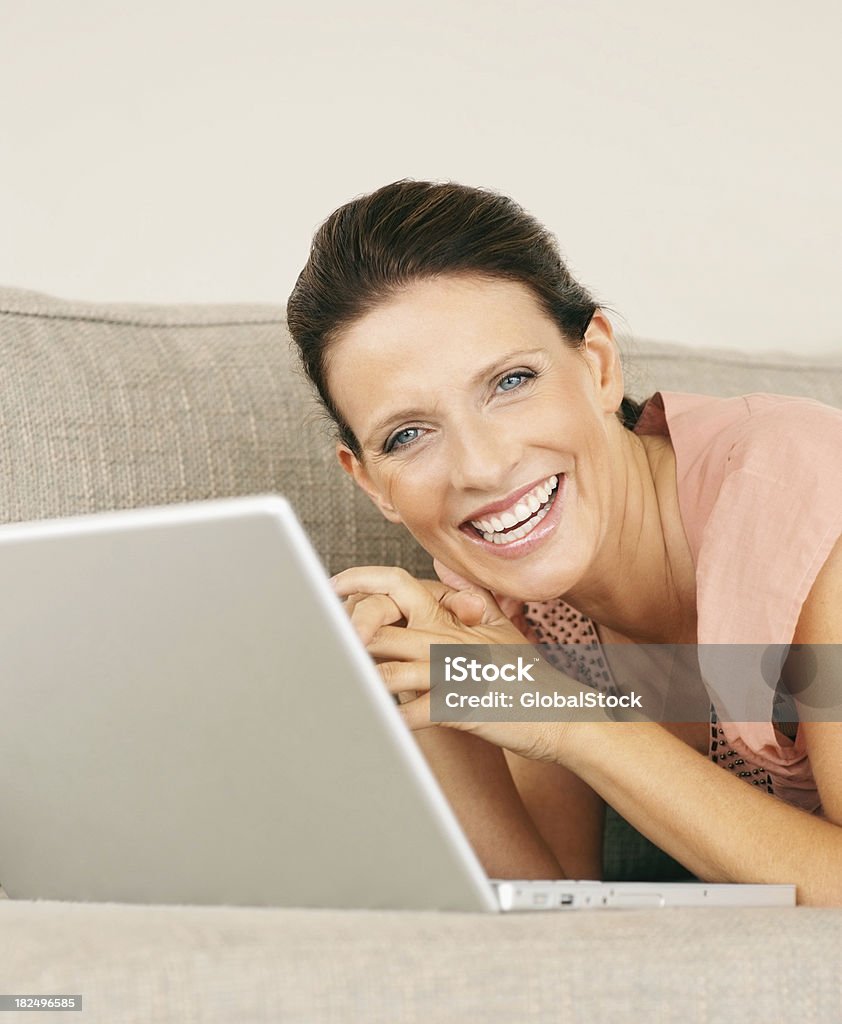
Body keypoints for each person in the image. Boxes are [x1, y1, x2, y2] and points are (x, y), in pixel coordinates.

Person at [286, 179, 842, 905]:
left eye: (511, 381)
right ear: (372, 484)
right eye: (409, 435)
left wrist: (578, 721)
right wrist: (423, 684)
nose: (482, 467)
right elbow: (555, 913)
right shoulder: (516, 599)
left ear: (599, 366)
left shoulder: (802, 499)